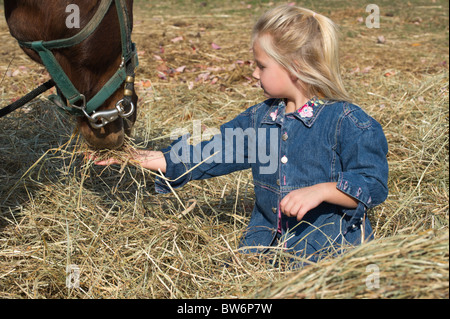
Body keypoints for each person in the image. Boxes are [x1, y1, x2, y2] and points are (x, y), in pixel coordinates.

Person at [94, 5, 389, 264]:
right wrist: (154, 158)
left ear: (295, 68)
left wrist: (323, 190)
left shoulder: (346, 121)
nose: (255, 74)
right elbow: (211, 153)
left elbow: (373, 185)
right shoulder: (260, 120)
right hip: (261, 254)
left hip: (328, 255)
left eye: (261, 66)